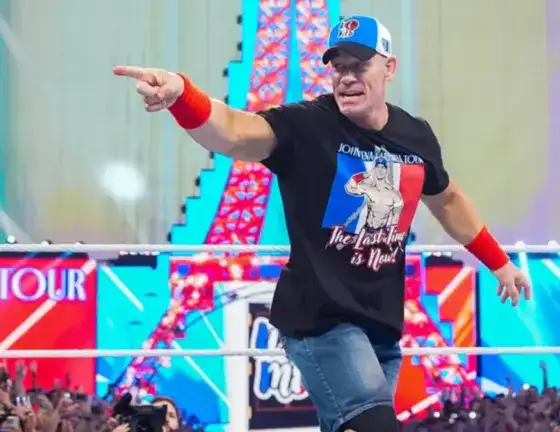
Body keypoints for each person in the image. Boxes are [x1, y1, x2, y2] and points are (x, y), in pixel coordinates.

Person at [113, 14, 531, 432]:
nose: (346, 77)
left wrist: (498, 262)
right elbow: (236, 133)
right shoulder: (307, 124)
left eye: (359, 65)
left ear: (389, 67)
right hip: (322, 319)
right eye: (338, 66)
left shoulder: (415, 135)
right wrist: (182, 95)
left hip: (381, 325)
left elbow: (447, 199)